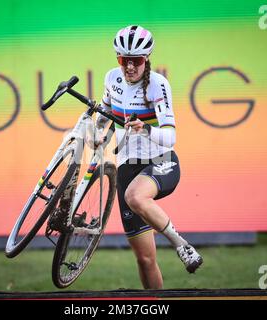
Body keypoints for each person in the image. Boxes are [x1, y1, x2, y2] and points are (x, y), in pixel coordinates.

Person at [94, 25, 203, 289]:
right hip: (128, 168)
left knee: (134, 196)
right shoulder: (111, 78)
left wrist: (147, 128)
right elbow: (105, 112)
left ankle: (182, 245)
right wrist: (98, 131)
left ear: (146, 59)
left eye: (136, 61)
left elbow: (171, 136)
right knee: (144, 259)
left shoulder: (157, 84)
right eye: (124, 60)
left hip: (161, 160)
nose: (129, 67)